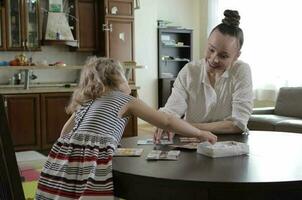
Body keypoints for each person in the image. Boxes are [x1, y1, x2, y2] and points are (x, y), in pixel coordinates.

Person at [35, 57, 217, 199]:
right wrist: (200, 133)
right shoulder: (126, 100)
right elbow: (166, 121)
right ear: (116, 79)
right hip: (90, 165)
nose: (128, 81)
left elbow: (64, 134)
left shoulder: (86, 102)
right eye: (125, 77)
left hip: (60, 164)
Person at [154, 9, 253, 143]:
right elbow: (172, 110)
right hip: (191, 142)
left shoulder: (241, 71)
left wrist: (188, 128)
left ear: (236, 56)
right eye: (211, 49)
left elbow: (238, 124)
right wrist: (165, 120)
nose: (213, 59)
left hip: (228, 144)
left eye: (223, 56)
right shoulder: (189, 71)